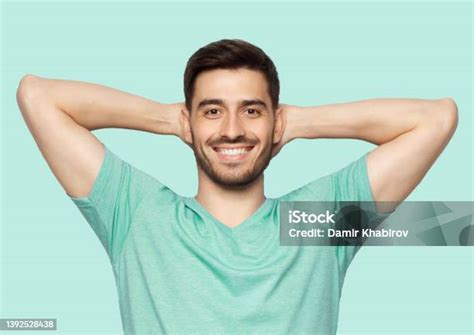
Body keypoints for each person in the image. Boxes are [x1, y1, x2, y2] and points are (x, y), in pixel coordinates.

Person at [16, 39, 458, 334]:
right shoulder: (135, 213)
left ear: (274, 119)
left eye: (251, 111)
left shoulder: (316, 221)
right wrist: (169, 120)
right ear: (190, 120)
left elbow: (436, 118)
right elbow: (37, 96)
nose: (231, 130)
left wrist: (298, 121)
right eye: (212, 111)